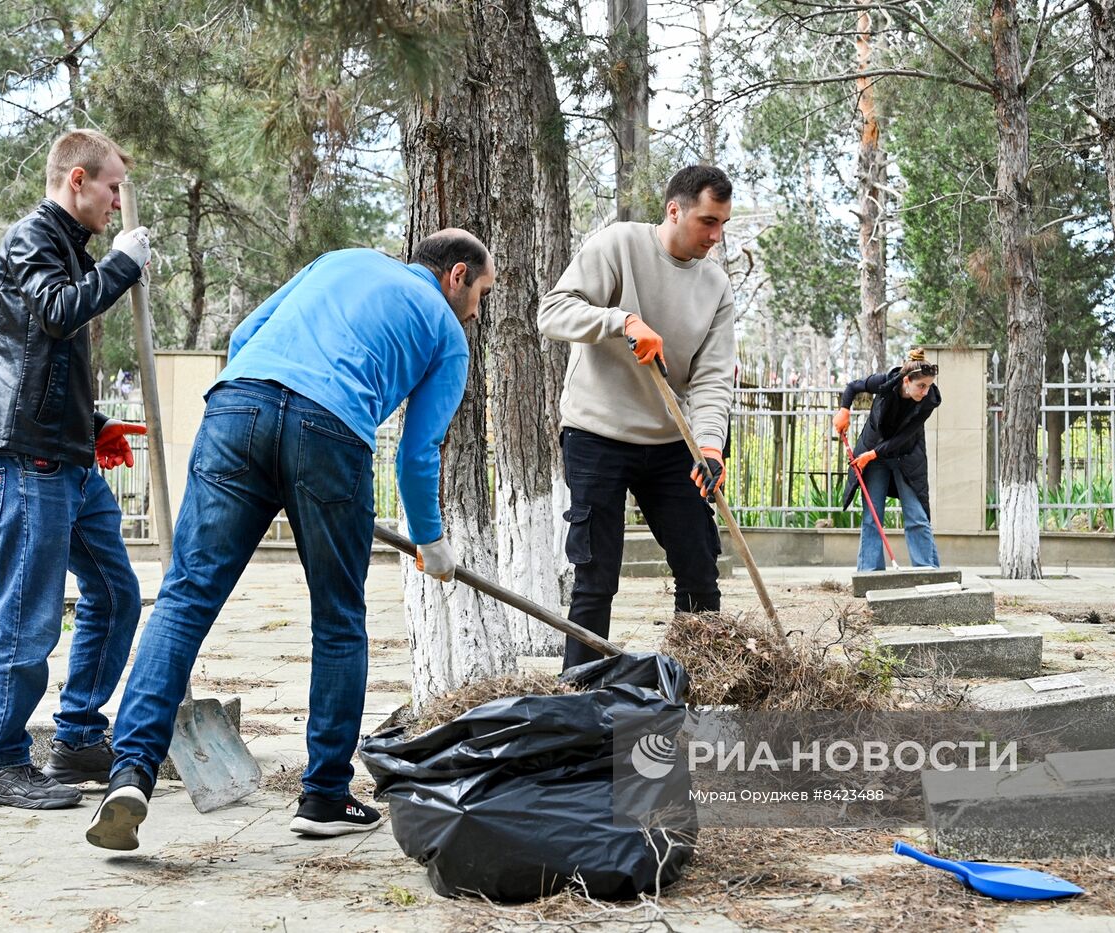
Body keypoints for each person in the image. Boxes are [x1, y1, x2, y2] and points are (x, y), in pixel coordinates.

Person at [86, 231, 490, 851]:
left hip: (236, 408)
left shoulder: (343, 260)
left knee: (185, 597)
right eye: (481, 295)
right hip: (331, 430)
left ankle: (131, 771)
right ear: (457, 274)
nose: (477, 311)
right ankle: (325, 796)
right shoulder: (447, 331)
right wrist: (430, 540)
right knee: (337, 619)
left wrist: (266, 420)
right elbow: (416, 452)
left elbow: (244, 334)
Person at [0, 129, 151, 809]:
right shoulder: (31, 237)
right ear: (77, 181)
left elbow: (41, 352)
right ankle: (1, 762)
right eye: (112, 185)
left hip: (63, 450)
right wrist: (121, 266)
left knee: (117, 591)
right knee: (32, 615)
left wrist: (93, 427)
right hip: (27, 454)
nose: (117, 200)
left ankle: (75, 738)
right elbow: (59, 315)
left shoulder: (67, 247)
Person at [538, 165, 736, 671]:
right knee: (596, 575)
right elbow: (553, 312)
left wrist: (709, 446)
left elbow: (713, 378)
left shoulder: (715, 284)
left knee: (699, 569)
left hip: (673, 442)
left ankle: (697, 684)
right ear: (675, 210)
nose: (716, 237)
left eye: (722, 225)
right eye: (708, 222)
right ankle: (580, 693)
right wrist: (620, 320)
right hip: (596, 432)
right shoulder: (619, 245)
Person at [834, 348, 942, 571]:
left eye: (929, 385)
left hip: (907, 456)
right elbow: (853, 386)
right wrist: (844, 410)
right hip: (872, 455)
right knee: (872, 516)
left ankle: (927, 572)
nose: (925, 391)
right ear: (906, 380)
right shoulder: (884, 383)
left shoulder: (928, 400)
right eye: (921, 385)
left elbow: (904, 436)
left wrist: (872, 455)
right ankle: (869, 574)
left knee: (917, 516)